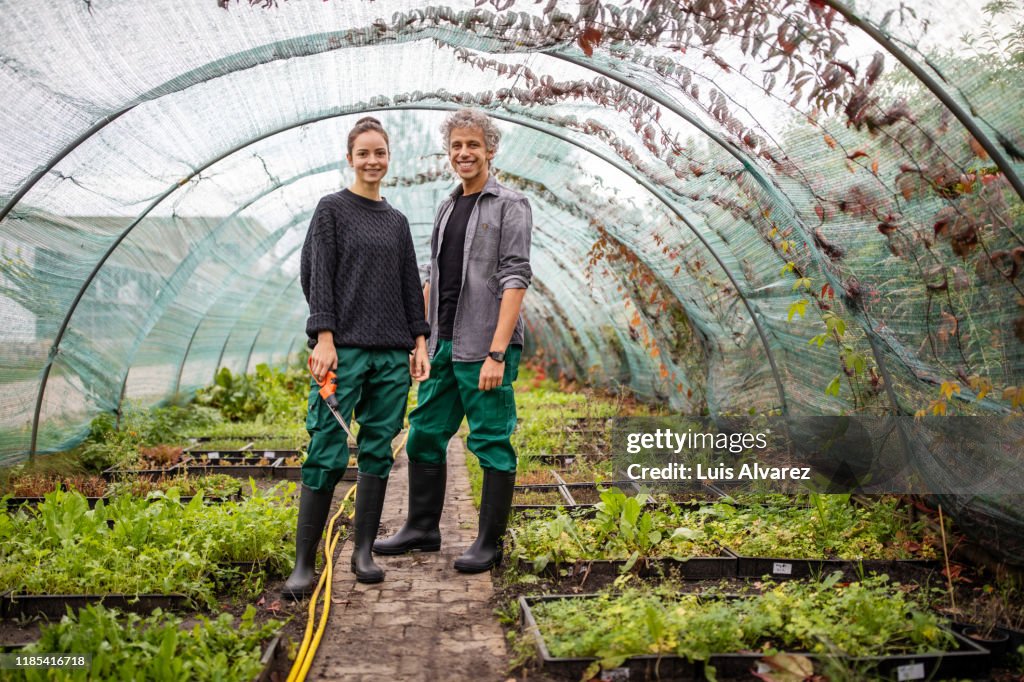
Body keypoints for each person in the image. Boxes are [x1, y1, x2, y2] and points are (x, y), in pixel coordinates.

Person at [374, 108, 532, 573]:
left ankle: (489, 543)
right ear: (449, 153)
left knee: (490, 441)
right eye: (456, 146)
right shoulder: (447, 206)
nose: (464, 154)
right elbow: (434, 278)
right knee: (424, 434)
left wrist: (497, 353)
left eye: (473, 145)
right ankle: (423, 528)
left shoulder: (510, 204)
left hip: (484, 347)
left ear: (490, 150)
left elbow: (515, 278)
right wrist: (419, 338)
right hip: (444, 345)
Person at [282, 116, 430, 597]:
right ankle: (304, 564)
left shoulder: (397, 221)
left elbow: (412, 289)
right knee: (325, 447)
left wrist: (420, 342)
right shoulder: (332, 211)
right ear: (350, 159)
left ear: (389, 158)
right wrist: (324, 336)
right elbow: (317, 274)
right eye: (363, 153)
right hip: (342, 351)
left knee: (377, 450)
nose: (372, 161)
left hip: (390, 355)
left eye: (380, 153)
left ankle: (362, 552)